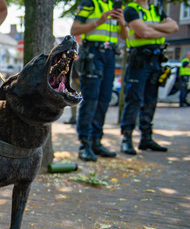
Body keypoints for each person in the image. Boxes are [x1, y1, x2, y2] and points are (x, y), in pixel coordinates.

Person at [70, 0, 128, 162]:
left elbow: (125, 36)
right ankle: (85, 144)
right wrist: (99, 21)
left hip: (110, 55)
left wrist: (122, 23)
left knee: (104, 99)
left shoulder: (115, 6)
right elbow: (74, 29)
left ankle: (96, 141)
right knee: (91, 99)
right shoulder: (90, 3)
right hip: (93, 53)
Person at [119, 0, 178, 155]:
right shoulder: (131, 10)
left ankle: (146, 138)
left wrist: (151, 27)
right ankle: (127, 139)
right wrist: (164, 30)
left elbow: (175, 27)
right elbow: (144, 33)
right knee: (134, 99)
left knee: (151, 100)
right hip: (139, 60)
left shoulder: (156, 9)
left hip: (156, 60)